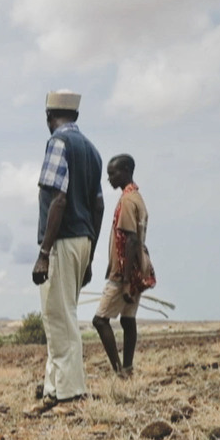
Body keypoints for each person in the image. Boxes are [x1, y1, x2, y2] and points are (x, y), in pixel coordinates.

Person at [29, 90, 104, 415]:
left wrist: (44, 251)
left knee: (59, 318)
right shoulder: (92, 150)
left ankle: (71, 395)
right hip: (83, 241)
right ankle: (53, 391)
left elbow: (57, 198)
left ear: (50, 117)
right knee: (60, 314)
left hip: (61, 241)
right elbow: (98, 205)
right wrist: (91, 252)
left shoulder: (57, 143)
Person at [91, 154, 154, 378]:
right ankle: (128, 369)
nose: (109, 178)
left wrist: (126, 281)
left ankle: (119, 371)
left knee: (100, 320)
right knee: (128, 319)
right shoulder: (137, 197)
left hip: (124, 273)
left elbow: (130, 239)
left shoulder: (127, 201)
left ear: (126, 170)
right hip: (138, 268)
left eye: (113, 173)